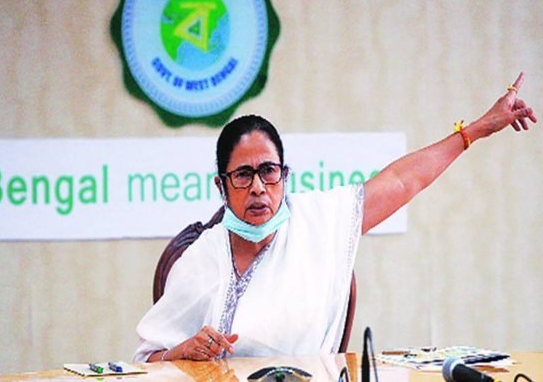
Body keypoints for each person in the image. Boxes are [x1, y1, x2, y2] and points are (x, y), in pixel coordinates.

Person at [133, 73, 536, 363]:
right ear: (221, 186)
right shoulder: (199, 259)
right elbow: (147, 359)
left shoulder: (319, 224)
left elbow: (400, 181)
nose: (258, 187)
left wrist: (477, 130)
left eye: (268, 171)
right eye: (242, 175)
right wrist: (181, 351)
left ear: (285, 176)